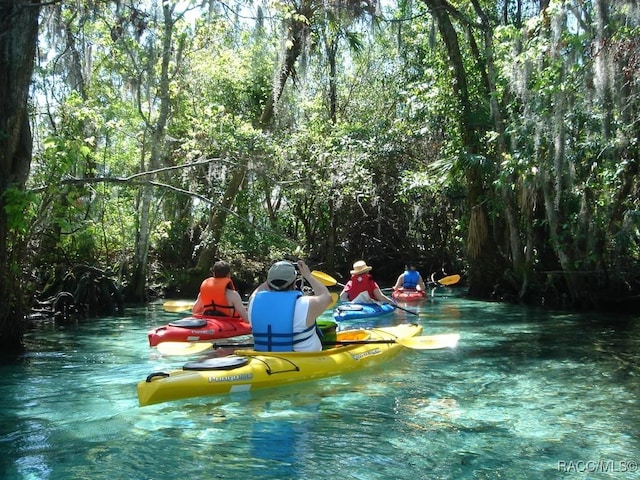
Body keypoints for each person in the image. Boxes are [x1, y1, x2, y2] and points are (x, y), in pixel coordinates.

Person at [248, 259, 332, 352]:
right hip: (304, 360)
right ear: (294, 282)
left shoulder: (253, 303)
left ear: (268, 282)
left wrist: (274, 275)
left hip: (265, 358)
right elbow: (327, 297)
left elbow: (257, 292)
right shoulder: (305, 304)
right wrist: (308, 275)